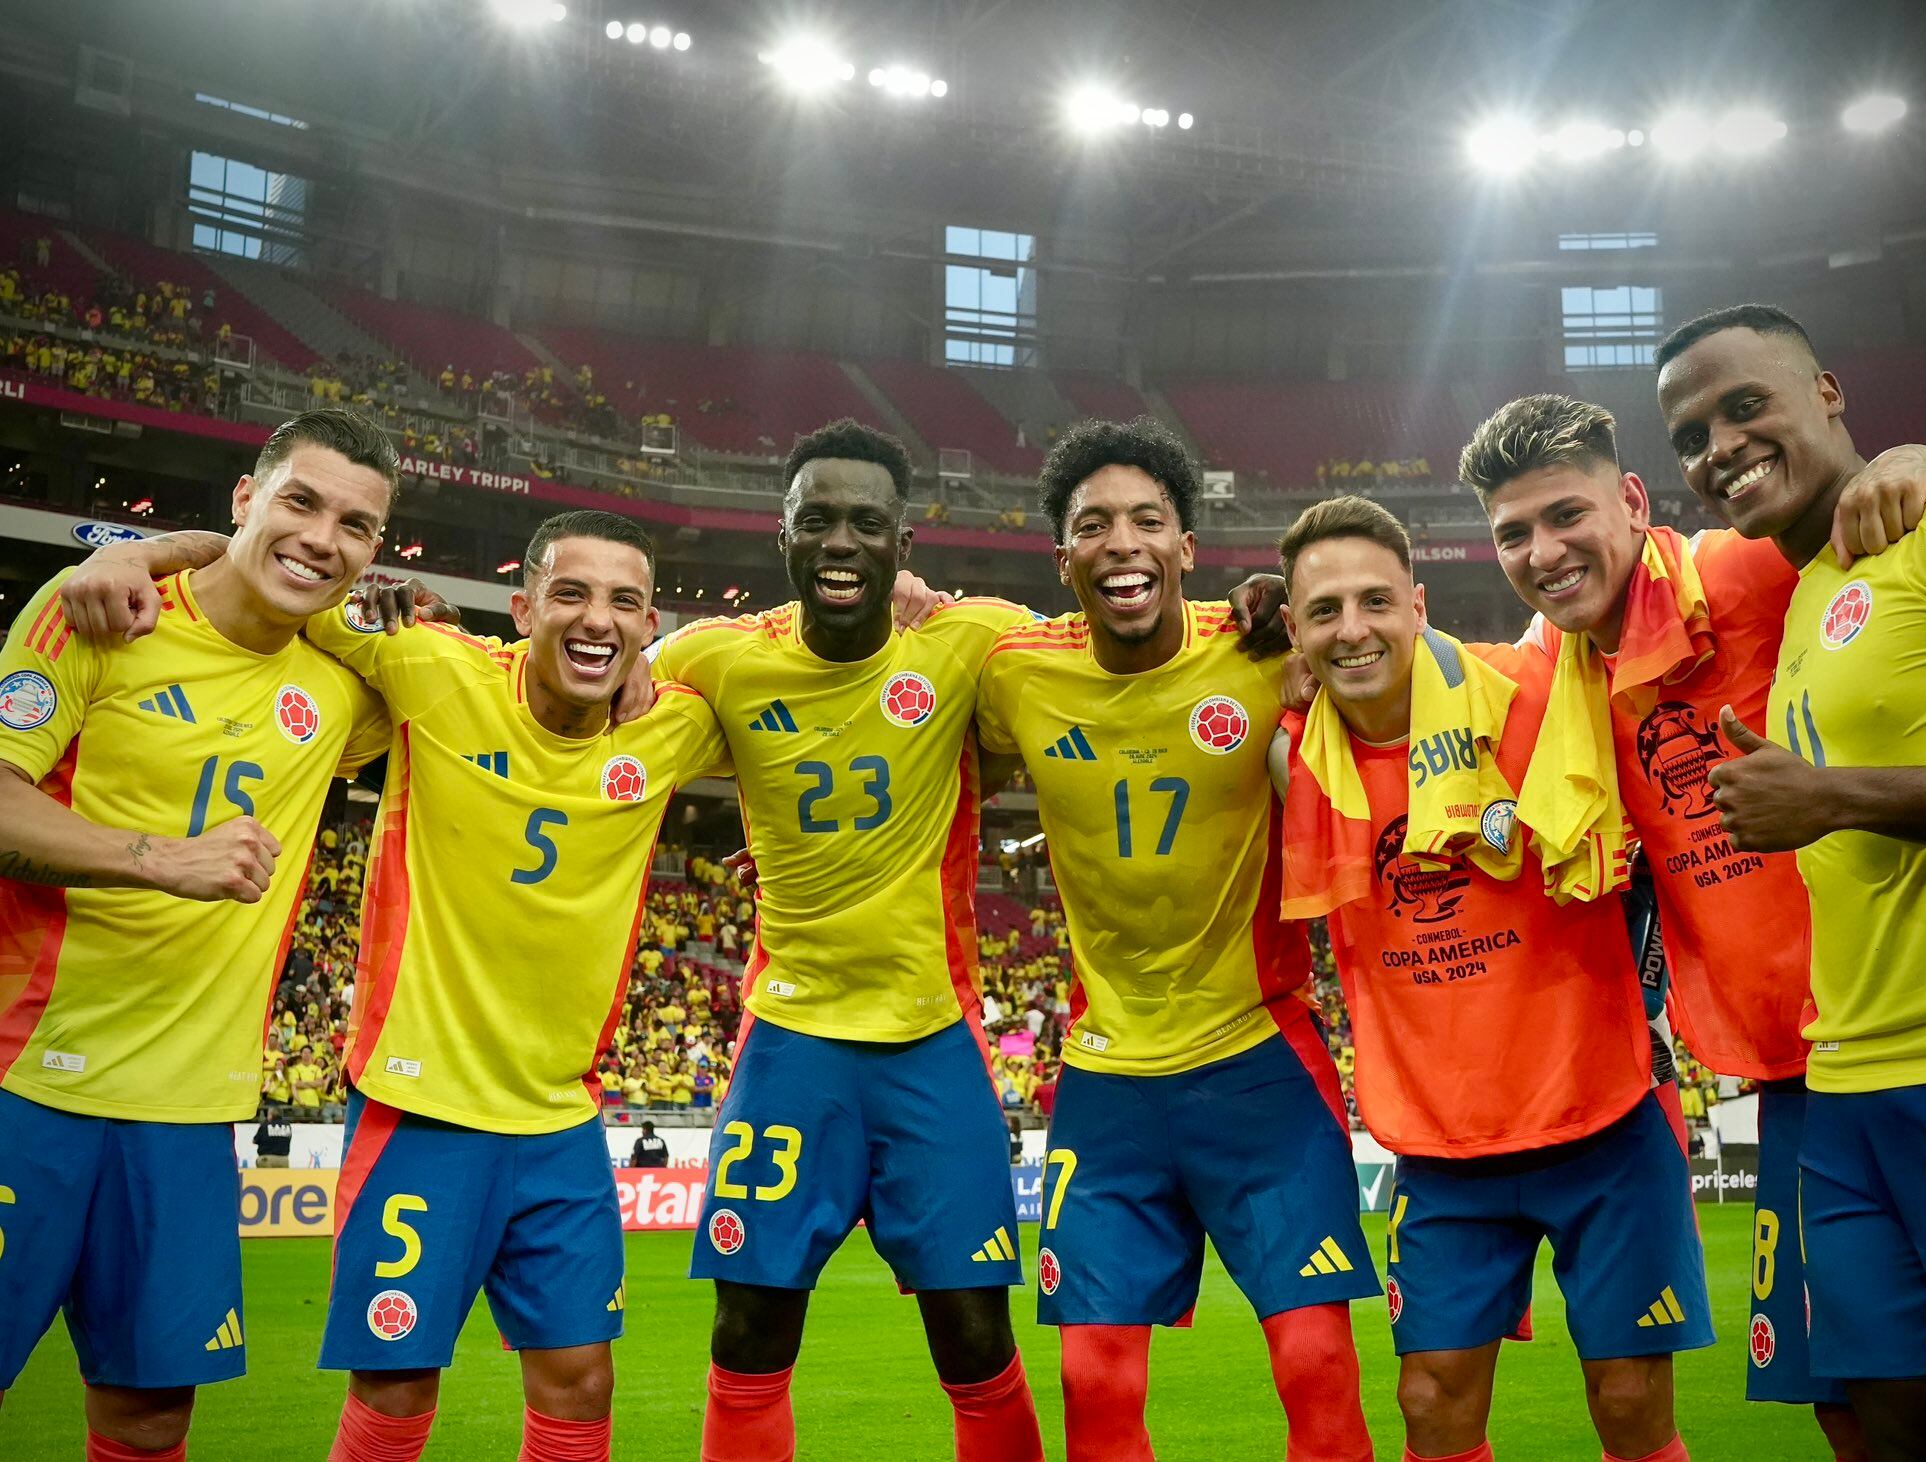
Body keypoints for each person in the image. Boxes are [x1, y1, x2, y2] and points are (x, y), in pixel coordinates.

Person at [65, 509, 733, 1462]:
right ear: (523, 605)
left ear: (651, 625)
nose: (598, 619)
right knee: (397, 1383)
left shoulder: (670, 724)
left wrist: (662, 661)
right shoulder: (434, 667)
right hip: (422, 1109)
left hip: (561, 1120)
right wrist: (137, 551)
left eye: (625, 603)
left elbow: (774, 660)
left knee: (583, 1383)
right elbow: (278, 568)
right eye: (572, 594)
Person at [1460, 388, 1926, 1460]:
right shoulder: (1552, 675)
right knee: (1856, 1400)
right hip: (1794, 1073)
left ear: (1631, 501)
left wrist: (1915, 453)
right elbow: (1398, 673)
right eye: (1511, 533)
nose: (1541, 552)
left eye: (1564, 516)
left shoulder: (1749, 571)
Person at [1654, 303, 1926, 1462]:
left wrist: (1835, 798)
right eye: (1689, 433)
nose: (1717, 444)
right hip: (1846, 1089)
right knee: (1905, 1435)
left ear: (1826, 390)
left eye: (1742, 404)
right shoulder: (1808, 592)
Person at [1269, 494, 1707, 1462]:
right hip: (1438, 1144)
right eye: (1324, 609)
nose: (1353, 628)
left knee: (1631, 1400)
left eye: (1374, 600)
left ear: (1418, 604)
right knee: (1429, 1400)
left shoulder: (1536, 692)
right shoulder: (1286, 754)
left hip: (1602, 1117)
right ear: (1290, 630)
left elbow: (1654, 580)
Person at [974, 418, 1376, 1461]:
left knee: (1316, 1364)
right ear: (1060, 557)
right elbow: (899, 711)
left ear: (1185, 548)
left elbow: (1383, 676)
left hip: (1257, 1065)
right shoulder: (1013, 672)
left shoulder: (1261, 653)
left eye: (1147, 520)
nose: (1122, 543)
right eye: (1092, 525)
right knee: (1091, 1376)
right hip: (1107, 1084)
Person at [645, 420, 1046, 1462]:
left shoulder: (965, 642)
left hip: (930, 1041)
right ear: (780, 533)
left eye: (866, 523)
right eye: (815, 519)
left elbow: (1109, 648)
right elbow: (585, 685)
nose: (839, 542)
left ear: (900, 540)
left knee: (973, 1334)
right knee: (748, 1328)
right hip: (792, 1045)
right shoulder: (716, 658)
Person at [0, 408, 396, 1460]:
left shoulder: (342, 687)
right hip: (24, 1083)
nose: (322, 537)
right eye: (301, 501)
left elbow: (515, 689)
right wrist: (157, 857)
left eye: (355, 525)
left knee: (148, 1415)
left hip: (187, 1117)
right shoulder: (99, 609)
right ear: (243, 500)